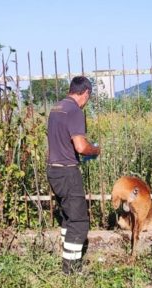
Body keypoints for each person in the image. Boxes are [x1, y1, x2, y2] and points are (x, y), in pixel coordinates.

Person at [46, 76, 101, 274]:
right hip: (68, 171)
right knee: (79, 222)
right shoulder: (74, 111)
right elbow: (80, 146)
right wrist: (94, 150)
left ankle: (65, 255)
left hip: (53, 169)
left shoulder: (56, 108)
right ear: (86, 93)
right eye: (89, 96)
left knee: (67, 217)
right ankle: (71, 270)